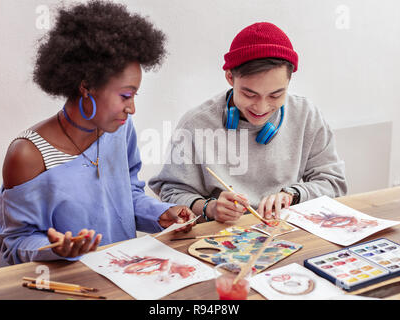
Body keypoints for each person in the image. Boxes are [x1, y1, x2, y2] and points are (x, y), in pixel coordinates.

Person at [0, 0, 195, 267]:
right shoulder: (28, 155)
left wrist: (160, 214)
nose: (132, 108)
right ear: (87, 86)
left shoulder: (120, 130)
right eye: (125, 95)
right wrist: (55, 248)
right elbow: (16, 241)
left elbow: (127, 195)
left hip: (118, 275)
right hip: (59, 285)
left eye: (134, 95)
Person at [149, 22, 347, 223]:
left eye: (275, 95)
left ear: (289, 82)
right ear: (230, 78)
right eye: (249, 94)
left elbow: (333, 183)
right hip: (221, 237)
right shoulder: (195, 124)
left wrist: (293, 195)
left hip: (285, 233)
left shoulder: (306, 115)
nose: (261, 108)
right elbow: (171, 192)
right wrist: (210, 208)